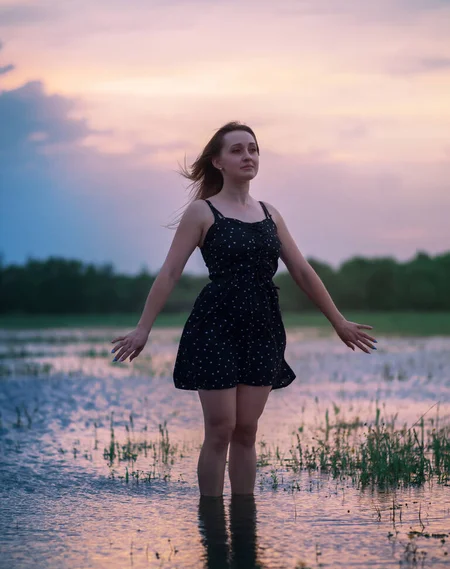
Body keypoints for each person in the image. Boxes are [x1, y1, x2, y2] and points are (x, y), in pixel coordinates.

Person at [110, 121, 377, 498]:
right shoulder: (202, 212)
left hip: (263, 326)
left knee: (247, 430)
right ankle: (213, 524)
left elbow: (301, 270)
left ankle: (245, 519)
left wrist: (338, 321)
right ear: (218, 161)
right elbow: (170, 272)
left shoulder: (270, 213)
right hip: (214, 325)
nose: (247, 156)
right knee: (220, 428)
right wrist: (142, 329)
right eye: (237, 150)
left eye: (252, 149)